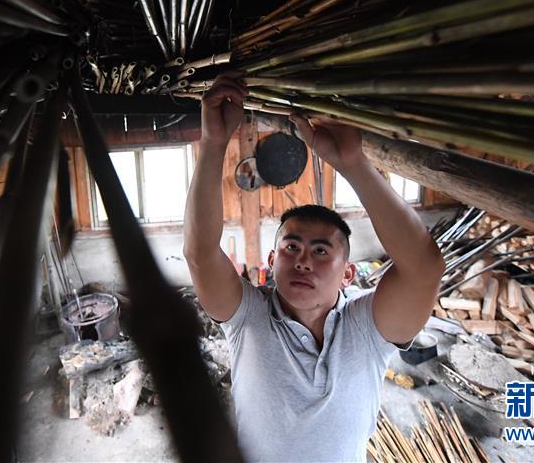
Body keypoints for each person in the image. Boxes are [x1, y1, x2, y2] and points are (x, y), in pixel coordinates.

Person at [183, 74, 445, 462]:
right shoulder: (249, 318)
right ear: (272, 262)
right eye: (291, 247)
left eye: (321, 251)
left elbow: (424, 269)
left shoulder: (367, 329)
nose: (303, 260)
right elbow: (200, 253)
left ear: (348, 274)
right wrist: (214, 142)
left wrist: (353, 164)